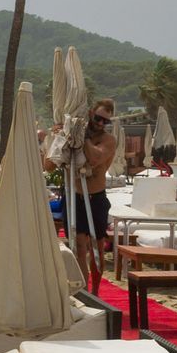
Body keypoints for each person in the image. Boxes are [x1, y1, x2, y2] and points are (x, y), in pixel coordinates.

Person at [46, 97, 118, 287]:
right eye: (98, 118)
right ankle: (82, 289)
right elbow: (49, 165)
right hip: (74, 196)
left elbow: (95, 158)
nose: (101, 124)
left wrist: (81, 136)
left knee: (97, 247)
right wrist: (58, 137)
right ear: (90, 114)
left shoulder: (108, 140)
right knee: (78, 245)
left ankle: (95, 291)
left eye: (106, 121)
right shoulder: (72, 136)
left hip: (96, 197)